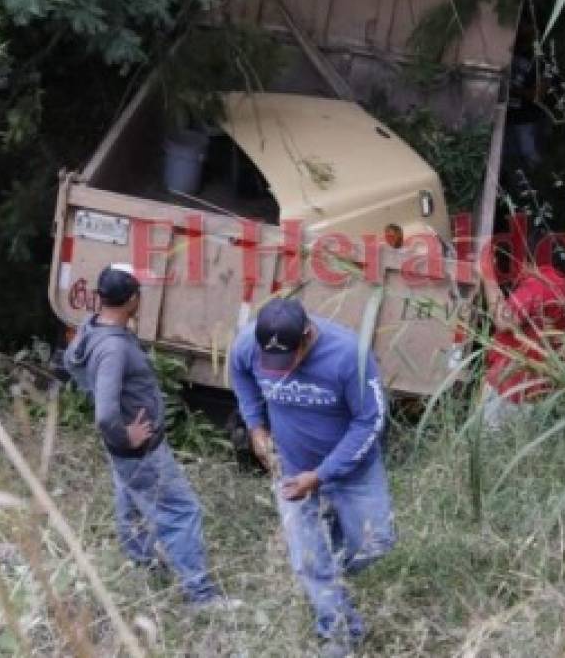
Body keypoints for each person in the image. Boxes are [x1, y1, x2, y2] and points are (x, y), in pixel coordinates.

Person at [229, 298, 394, 657]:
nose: (280, 370)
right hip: (290, 471)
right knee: (309, 562)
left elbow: (371, 421)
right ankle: (339, 634)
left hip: (353, 472)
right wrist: (256, 426)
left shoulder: (350, 355)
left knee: (376, 544)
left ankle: (326, 577)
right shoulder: (248, 344)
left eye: (288, 359)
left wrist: (322, 475)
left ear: (306, 336)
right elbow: (239, 373)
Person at [64, 265, 232, 608]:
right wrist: (126, 433)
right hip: (138, 451)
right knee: (182, 511)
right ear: (131, 300)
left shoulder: (90, 327)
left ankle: (144, 567)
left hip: (123, 452)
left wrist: (102, 403)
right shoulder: (114, 349)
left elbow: (71, 361)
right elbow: (106, 413)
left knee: (131, 505)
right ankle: (200, 596)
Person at [482, 260, 565, 426]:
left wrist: (487, 277)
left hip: (511, 383)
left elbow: (504, 321)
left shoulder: (539, 284)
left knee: (490, 439)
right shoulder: (563, 287)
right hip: (533, 384)